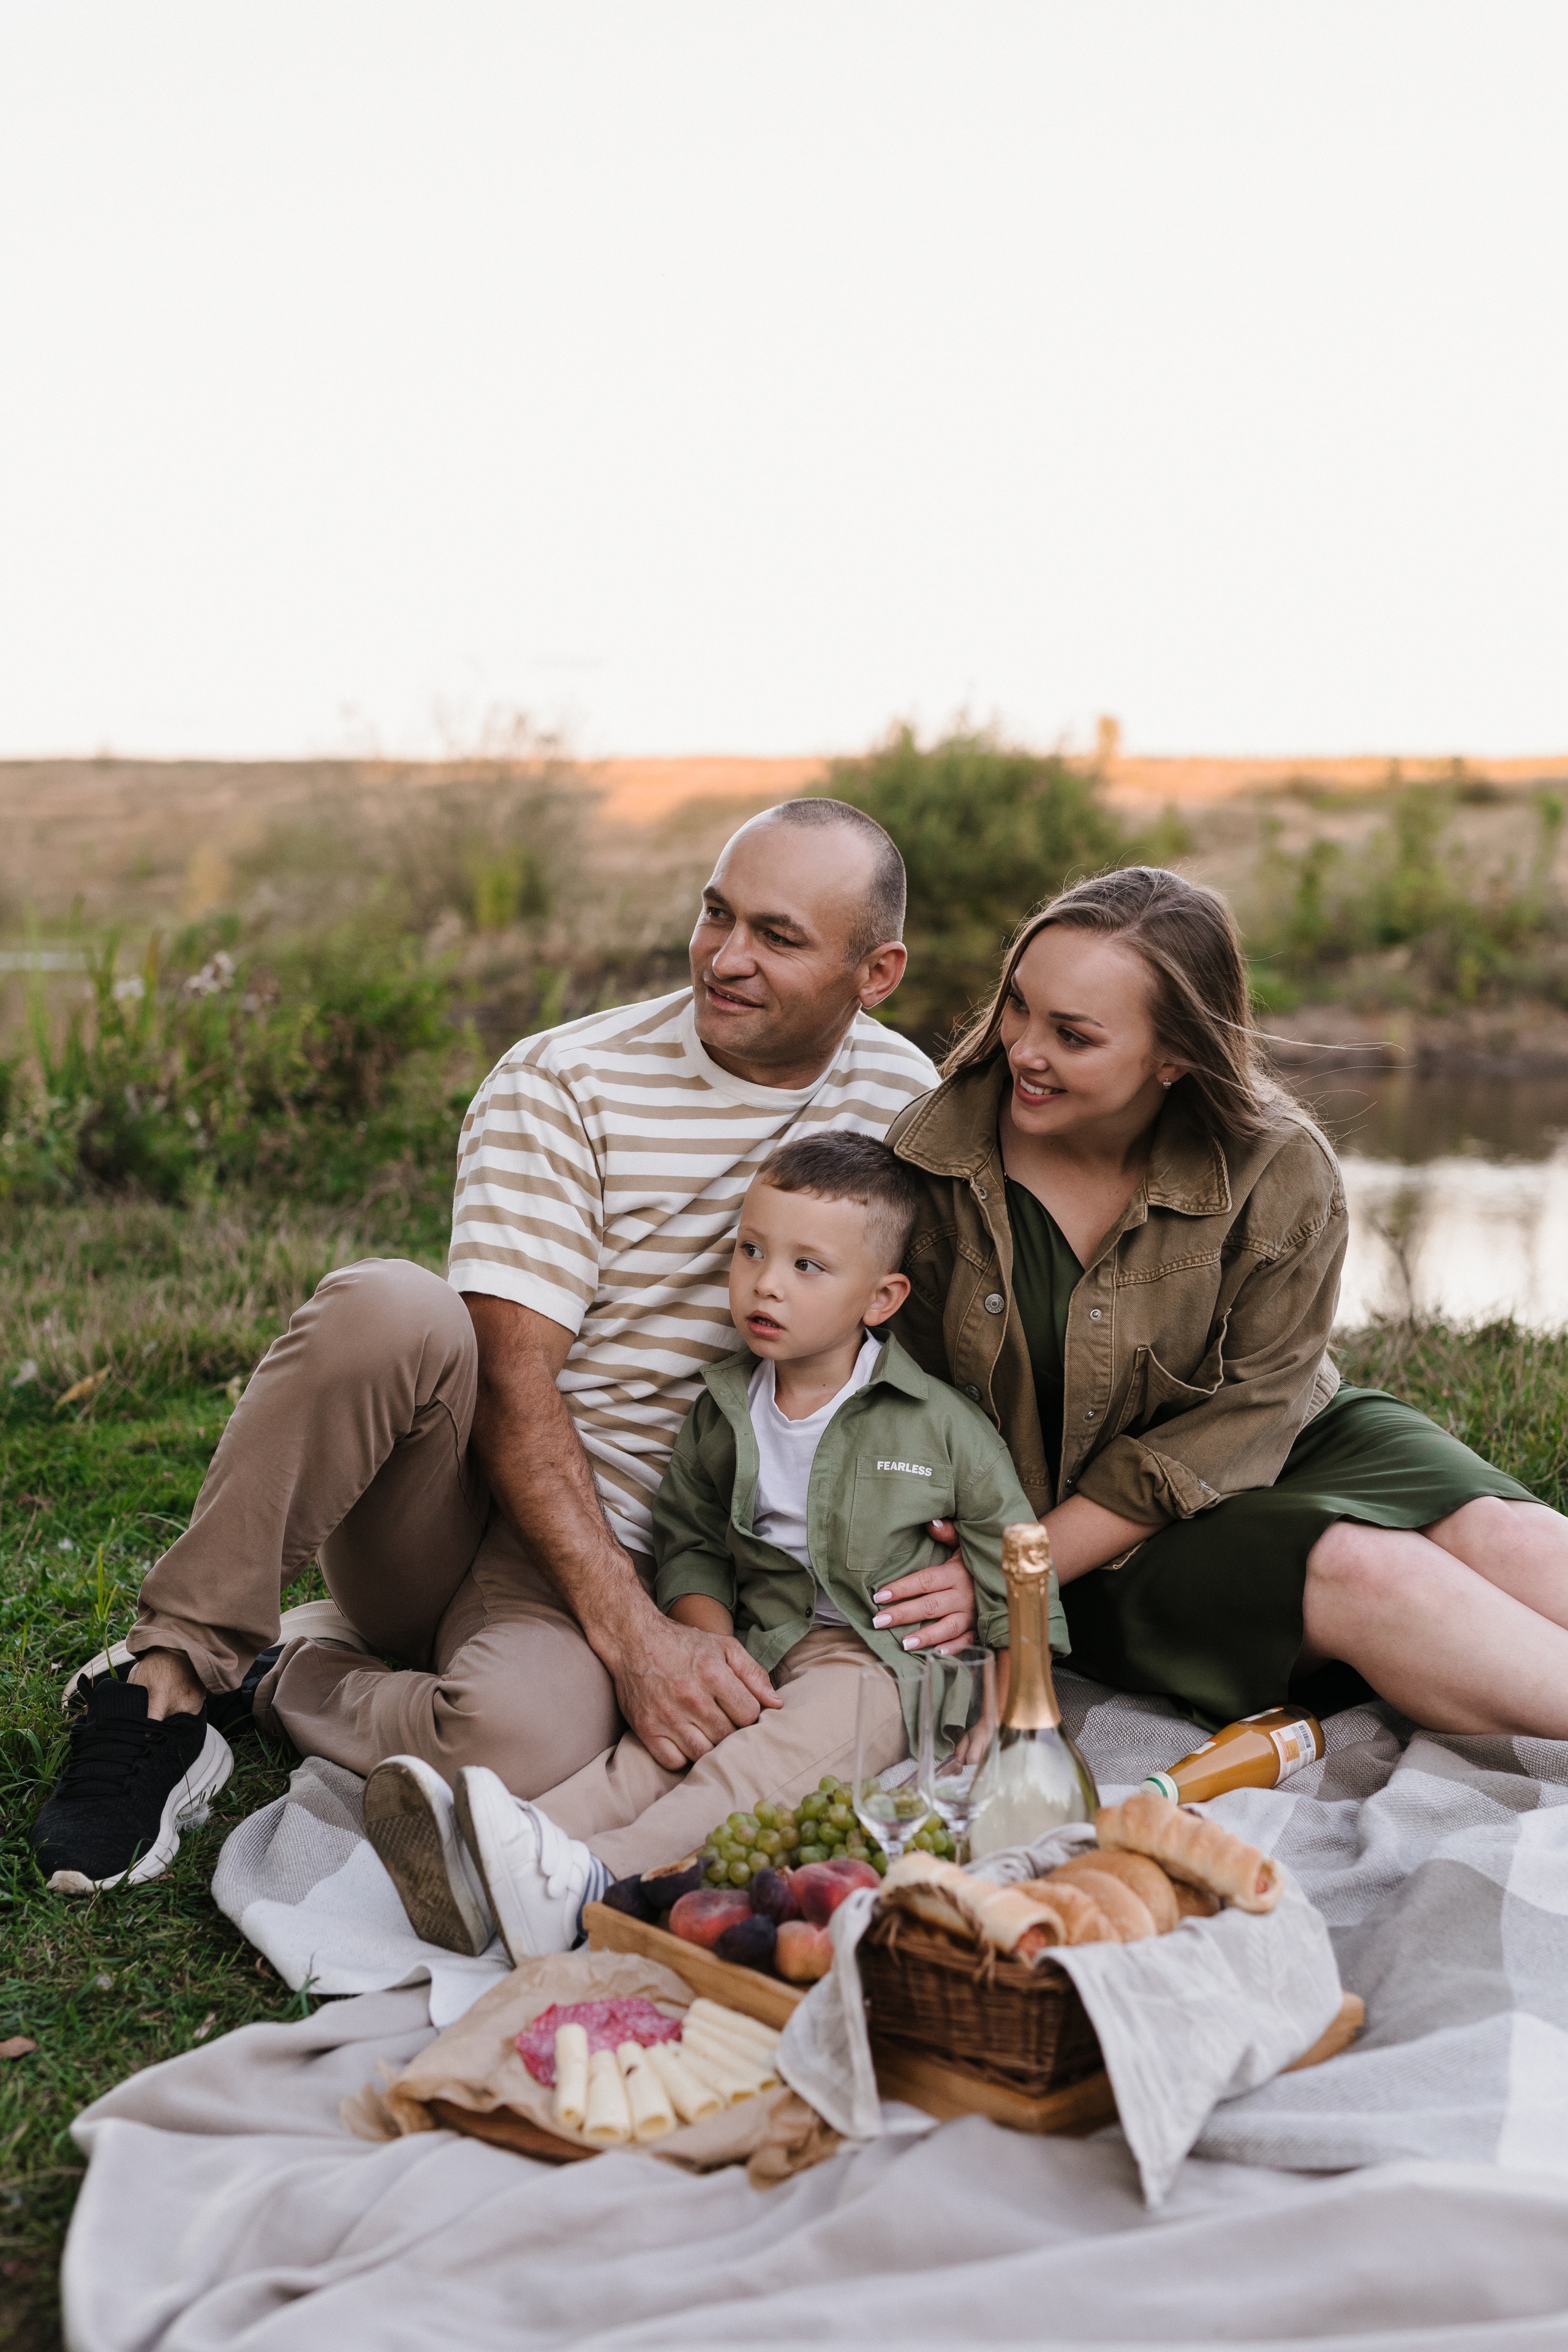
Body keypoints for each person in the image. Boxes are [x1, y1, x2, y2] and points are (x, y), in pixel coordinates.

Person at [30, 801, 979, 1894]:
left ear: (876, 973)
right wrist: (636, 1641)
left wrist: (962, 1541)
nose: (725, 958)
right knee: (392, 1305)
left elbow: (935, 1351)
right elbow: (512, 1387)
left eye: (778, 936)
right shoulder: (566, 1080)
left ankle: (287, 1672)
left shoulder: (911, 1112)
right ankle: (169, 1679)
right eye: (716, 914)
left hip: (711, 1554)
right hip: (495, 1517)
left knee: (515, 1746)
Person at [886, 863, 1568, 1739]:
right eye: (1019, 1005)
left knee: (1511, 1539)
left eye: (1074, 1035)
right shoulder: (932, 1168)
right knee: (1373, 1572)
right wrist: (1012, 1571)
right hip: (1085, 1533)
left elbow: (1258, 1408)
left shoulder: (1280, 1165)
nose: (1023, 1050)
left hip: (1287, 1436)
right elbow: (899, 1414)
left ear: (1175, 1056)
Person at [360, 1131, 1064, 1961]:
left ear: (882, 1299)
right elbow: (690, 1541)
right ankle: (490, 1848)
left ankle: (593, 1879)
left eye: (807, 1266)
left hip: (879, 1661)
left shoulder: (938, 1424)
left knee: (758, 1766)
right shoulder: (724, 1412)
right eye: (751, 1250)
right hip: (760, 1639)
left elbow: (1016, 1556)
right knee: (657, 1751)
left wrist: (1012, 1701)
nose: (766, 1283)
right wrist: (707, 1644)